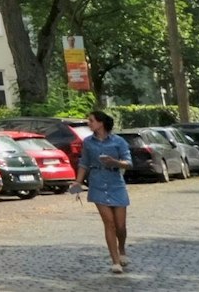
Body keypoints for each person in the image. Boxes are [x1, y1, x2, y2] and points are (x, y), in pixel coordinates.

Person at [71, 109, 132, 274]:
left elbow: (128, 162)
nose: (88, 123)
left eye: (91, 121)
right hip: (97, 183)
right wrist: (77, 182)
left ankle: (122, 250)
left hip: (116, 183)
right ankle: (115, 261)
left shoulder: (118, 141)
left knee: (120, 226)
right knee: (109, 223)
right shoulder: (88, 142)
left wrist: (115, 162)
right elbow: (84, 163)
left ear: (101, 123)